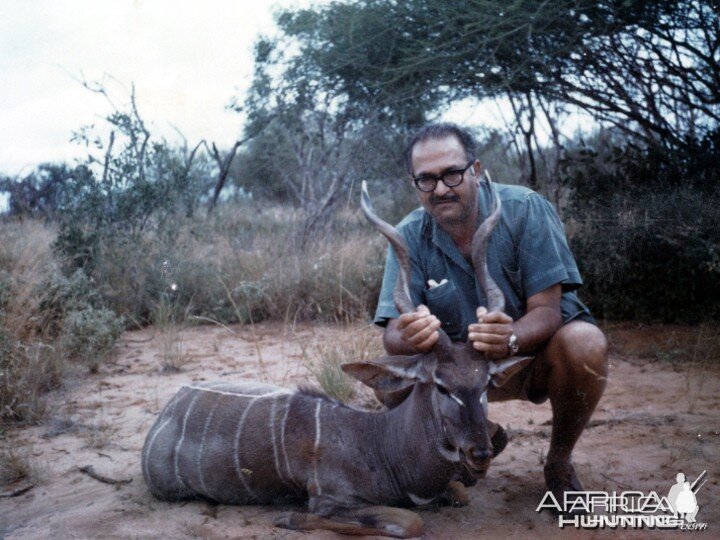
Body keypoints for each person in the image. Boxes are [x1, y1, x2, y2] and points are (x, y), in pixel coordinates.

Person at [373, 123, 608, 504]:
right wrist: (409, 333)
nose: (442, 188)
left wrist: (510, 337)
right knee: (392, 374)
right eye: (427, 180)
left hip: (523, 362)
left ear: (476, 169)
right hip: (455, 377)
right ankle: (481, 435)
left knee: (585, 343)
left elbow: (548, 312)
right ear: (414, 184)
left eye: (452, 173)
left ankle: (559, 463)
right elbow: (392, 334)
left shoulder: (525, 209)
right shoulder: (408, 234)